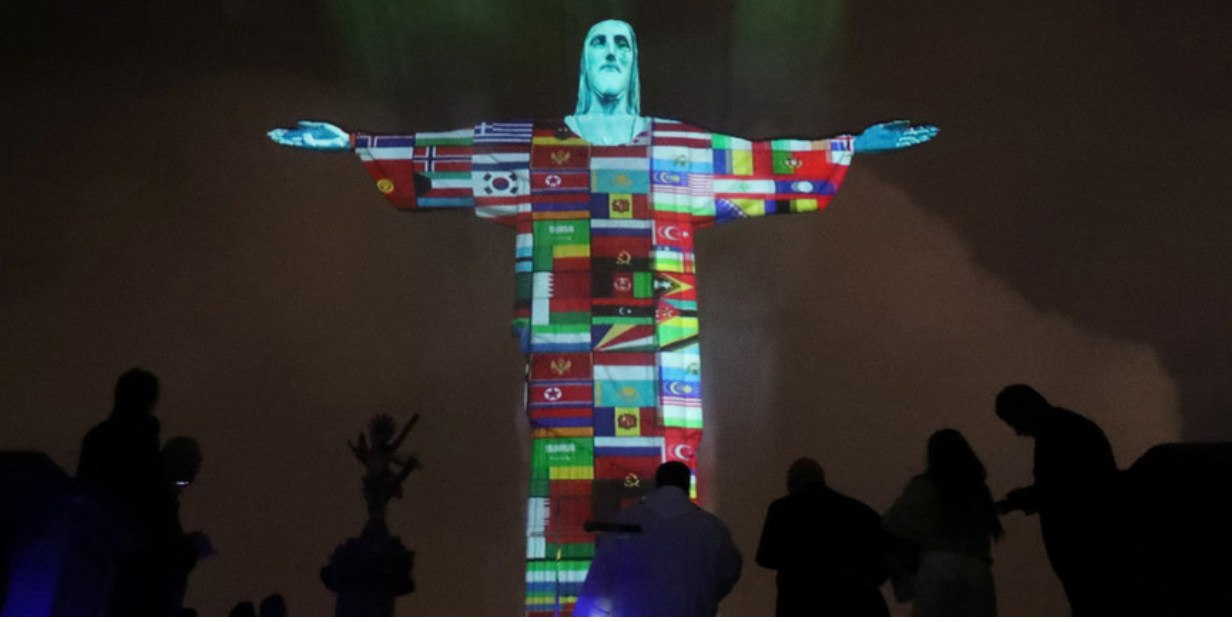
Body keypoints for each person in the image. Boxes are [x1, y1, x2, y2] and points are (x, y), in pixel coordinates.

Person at [268, 19, 936, 613]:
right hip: (567, 364)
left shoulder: (675, 149)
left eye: (622, 42)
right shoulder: (537, 148)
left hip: (661, 361)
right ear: (584, 65)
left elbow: (762, 166)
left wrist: (850, 145)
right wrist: (354, 142)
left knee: (667, 485)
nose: (611, 52)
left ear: (635, 63)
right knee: (564, 510)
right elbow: (447, 154)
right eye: (598, 43)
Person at [993, 384, 1118, 615]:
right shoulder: (1069, 427)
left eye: (1014, 421)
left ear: (1026, 408)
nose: (1018, 432)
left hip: (1085, 548)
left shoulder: (1056, 433)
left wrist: (1018, 500)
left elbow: (1060, 488)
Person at [575, 461, 742, 616]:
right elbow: (728, 573)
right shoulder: (711, 528)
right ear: (687, 485)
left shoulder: (627, 520)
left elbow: (600, 576)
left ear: (657, 483)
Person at [883, 429, 1002, 615]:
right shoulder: (979, 490)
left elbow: (893, 523)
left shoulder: (925, 486)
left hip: (938, 564)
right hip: (979, 569)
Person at [756, 458, 889, 616]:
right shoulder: (860, 511)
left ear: (791, 482)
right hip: (856, 604)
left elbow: (766, 558)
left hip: (799, 603)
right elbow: (883, 558)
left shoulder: (782, 510)